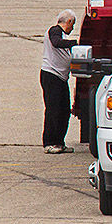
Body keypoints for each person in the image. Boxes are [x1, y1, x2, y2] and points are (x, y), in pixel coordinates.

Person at [41, 9, 77, 154]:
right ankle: (49, 143)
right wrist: (75, 43)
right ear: (68, 21)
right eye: (72, 24)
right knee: (53, 110)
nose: (72, 28)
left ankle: (59, 142)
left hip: (61, 77)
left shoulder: (61, 34)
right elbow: (56, 43)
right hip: (51, 76)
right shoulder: (54, 31)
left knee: (64, 110)